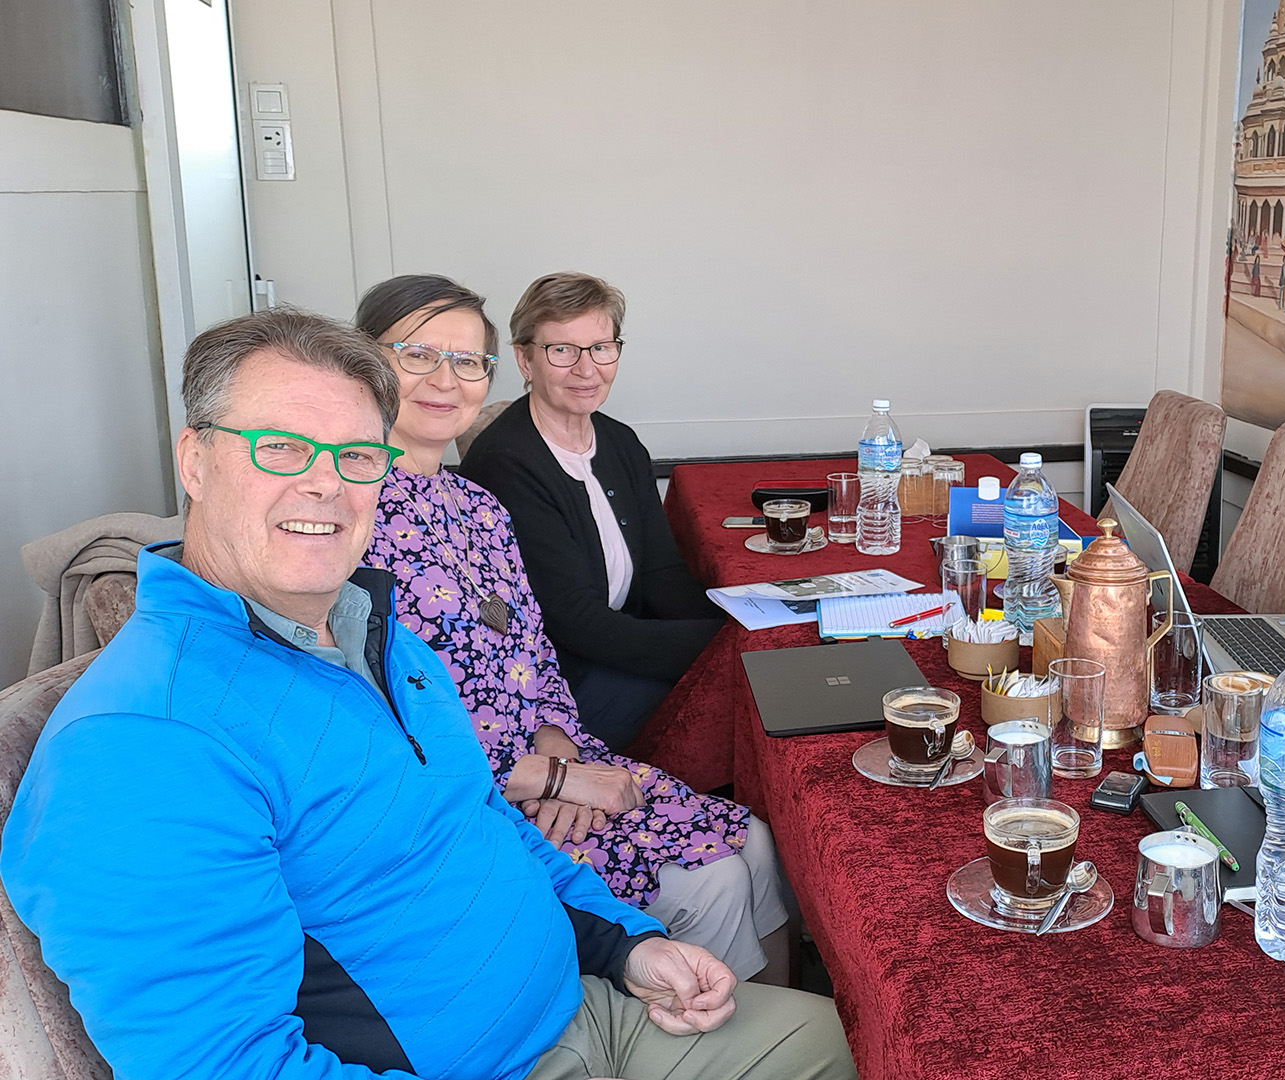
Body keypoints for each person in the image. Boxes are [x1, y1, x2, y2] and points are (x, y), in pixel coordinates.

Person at [0, 309, 854, 1080]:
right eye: (282, 447)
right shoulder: (142, 744)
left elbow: (485, 824)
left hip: (588, 1006)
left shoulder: (377, 632)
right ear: (195, 459)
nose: (325, 483)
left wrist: (626, 945)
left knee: (843, 1038)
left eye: (356, 456)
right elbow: (224, 1066)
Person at [353, 275, 790, 982]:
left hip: (552, 755)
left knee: (760, 842)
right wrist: (550, 778)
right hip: (473, 804)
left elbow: (536, 651)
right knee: (712, 881)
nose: (445, 379)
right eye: (417, 355)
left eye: (466, 361)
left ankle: (778, 1028)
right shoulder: (345, 517)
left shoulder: (476, 506)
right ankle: (713, 1034)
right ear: (363, 364)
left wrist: (562, 748)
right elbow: (376, 728)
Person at [461, 272, 724, 750]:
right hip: (562, 685)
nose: (587, 369)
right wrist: (721, 648)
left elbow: (662, 571)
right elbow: (576, 622)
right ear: (525, 358)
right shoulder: (506, 463)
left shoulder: (620, 441)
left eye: (601, 347)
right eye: (562, 350)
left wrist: (729, 628)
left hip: (623, 645)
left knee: (757, 678)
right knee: (734, 703)